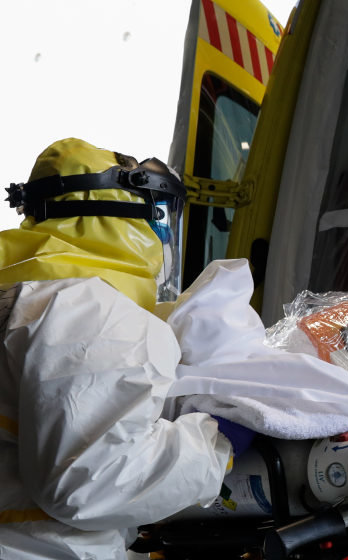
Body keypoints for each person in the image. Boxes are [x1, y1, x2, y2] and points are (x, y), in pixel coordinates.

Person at [0, 138, 241, 559]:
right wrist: (220, 445)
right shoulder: (92, 312)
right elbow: (89, 483)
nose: (162, 233)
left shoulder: (27, 297)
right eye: (159, 212)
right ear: (116, 209)